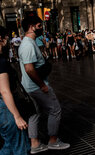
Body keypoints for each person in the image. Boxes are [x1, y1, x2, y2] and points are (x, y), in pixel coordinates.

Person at [19, 15, 70, 154]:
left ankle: (35, 144)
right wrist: (42, 85)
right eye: (40, 26)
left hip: (30, 87)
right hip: (36, 87)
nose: (42, 28)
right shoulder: (28, 45)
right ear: (32, 27)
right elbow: (29, 69)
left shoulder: (29, 43)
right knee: (55, 109)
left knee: (35, 114)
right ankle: (53, 141)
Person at [0, 26, 30, 155]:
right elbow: (5, 91)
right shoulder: (0, 62)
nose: (8, 40)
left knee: (8, 144)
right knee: (19, 146)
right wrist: (17, 116)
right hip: (6, 108)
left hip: (2, 110)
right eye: (7, 37)